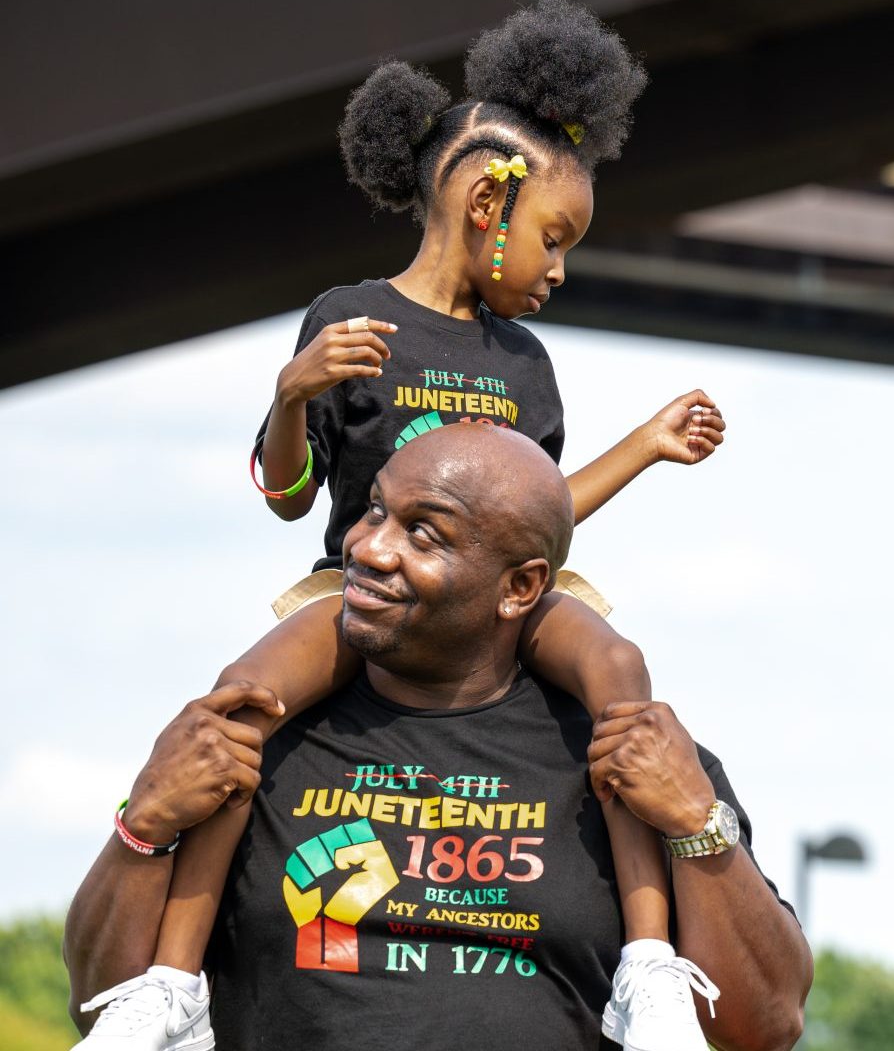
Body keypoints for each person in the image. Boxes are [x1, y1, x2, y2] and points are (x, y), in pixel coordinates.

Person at [71, 0, 726, 1051]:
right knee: (239, 710)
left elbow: (543, 529)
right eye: (553, 240)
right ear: (485, 208)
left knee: (621, 673)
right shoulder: (351, 321)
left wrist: (644, 449)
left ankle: (649, 966)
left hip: (515, 598)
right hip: (356, 587)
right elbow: (287, 498)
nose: (559, 270)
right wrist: (291, 393)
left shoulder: (527, 362)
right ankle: (169, 986)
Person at [64, 424, 812, 1051]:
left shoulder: (629, 753)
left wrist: (696, 826)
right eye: (375, 510)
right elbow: (101, 1003)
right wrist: (145, 826)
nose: (369, 548)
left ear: (519, 587)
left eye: (422, 533)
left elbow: (767, 1024)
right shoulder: (257, 737)